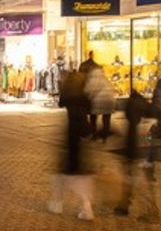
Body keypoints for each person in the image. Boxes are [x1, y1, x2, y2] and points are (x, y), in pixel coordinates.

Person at [49, 69, 94, 221]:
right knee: (66, 174)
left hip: (73, 137)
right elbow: (88, 109)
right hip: (78, 137)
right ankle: (58, 203)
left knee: (70, 175)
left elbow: (63, 103)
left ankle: (83, 208)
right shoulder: (82, 96)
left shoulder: (70, 96)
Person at [114, 90, 159, 222]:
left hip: (135, 153)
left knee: (136, 181)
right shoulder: (145, 112)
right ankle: (123, 205)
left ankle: (150, 212)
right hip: (142, 153)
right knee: (130, 179)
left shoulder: (134, 115)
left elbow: (132, 138)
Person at [85, 67, 115, 141]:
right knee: (106, 118)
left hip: (97, 102)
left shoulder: (93, 80)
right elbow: (112, 89)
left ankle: (94, 134)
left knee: (93, 118)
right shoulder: (105, 80)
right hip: (109, 102)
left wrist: (88, 98)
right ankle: (105, 134)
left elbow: (88, 90)